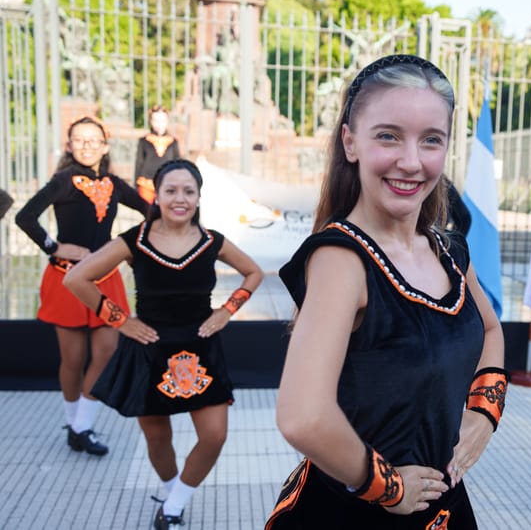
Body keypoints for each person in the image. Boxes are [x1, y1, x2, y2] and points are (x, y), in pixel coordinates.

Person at [264, 54, 506, 529]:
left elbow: (491, 328)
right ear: (350, 142)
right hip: (351, 512)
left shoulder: (449, 249)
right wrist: (387, 486)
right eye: (388, 136)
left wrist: (483, 414)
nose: (411, 161)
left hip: (443, 504)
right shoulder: (341, 259)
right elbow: (301, 416)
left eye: (431, 140)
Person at [63, 158, 263, 530]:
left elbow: (253, 272)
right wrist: (121, 321)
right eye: (171, 190)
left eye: (188, 191)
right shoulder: (134, 240)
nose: (180, 198)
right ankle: (173, 498)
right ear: (158, 195)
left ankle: (174, 503)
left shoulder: (211, 241)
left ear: (199, 197)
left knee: (215, 435)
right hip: (148, 350)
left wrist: (227, 310)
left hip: (200, 350)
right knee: (158, 440)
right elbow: (76, 279)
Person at [15, 115, 149, 456]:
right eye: (80, 140)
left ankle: (81, 426)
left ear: (105, 146)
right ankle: (76, 425)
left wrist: (130, 247)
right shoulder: (62, 180)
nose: (88, 146)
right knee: (72, 359)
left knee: (106, 351)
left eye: (94, 140)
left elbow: (151, 212)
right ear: (69, 145)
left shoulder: (115, 183)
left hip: (107, 280)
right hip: (66, 280)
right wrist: (54, 246)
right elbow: (25, 217)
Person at [134, 105, 181, 204]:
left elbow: (177, 164)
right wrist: (136, 184)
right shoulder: (144, 141)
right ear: (151, 121)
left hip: (168, 183)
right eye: (156, 120)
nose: (160, 124)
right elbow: (139, 163)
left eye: (162, 121)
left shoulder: (173, 142)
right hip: (147, 184)